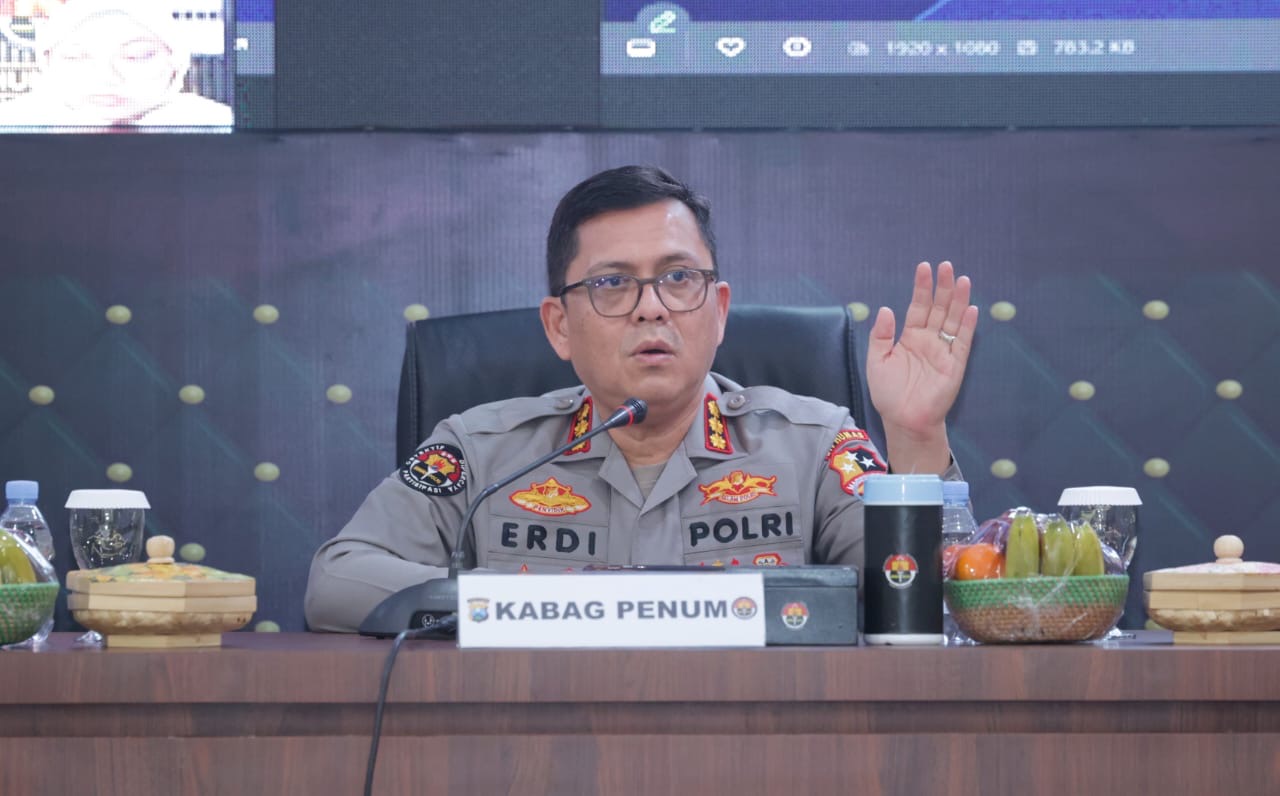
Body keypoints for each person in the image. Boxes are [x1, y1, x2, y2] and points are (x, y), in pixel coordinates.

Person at [304, 166, 977, 632]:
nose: (651, 307)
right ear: (559, 325)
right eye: (612, 284)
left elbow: (932, 599)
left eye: (678, 278)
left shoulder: (815, 444)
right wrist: (516, 607)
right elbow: (337, 580)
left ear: (718, 310)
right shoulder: (482, 453)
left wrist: (917, 437)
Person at [0, 0, 231, 128]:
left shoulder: (216, 124)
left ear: (176, 63)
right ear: (47, 63)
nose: (106, 77)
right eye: (76, 56)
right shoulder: (11, 123)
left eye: (136, 56)